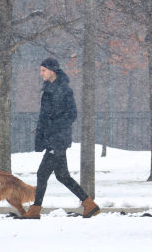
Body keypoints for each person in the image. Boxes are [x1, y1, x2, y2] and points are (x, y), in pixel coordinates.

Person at [18, 57, 100, 218]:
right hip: (52, 139)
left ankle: (35, 209)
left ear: (52, 70)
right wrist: (43, 130)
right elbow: (45, 115)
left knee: (42, 174)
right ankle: (89, 204)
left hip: (57, 140)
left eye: (43, 70)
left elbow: (71, 114)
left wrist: (53, 127)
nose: (41, 73)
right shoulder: (48, 88)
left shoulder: (64, 89)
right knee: (62, 176)